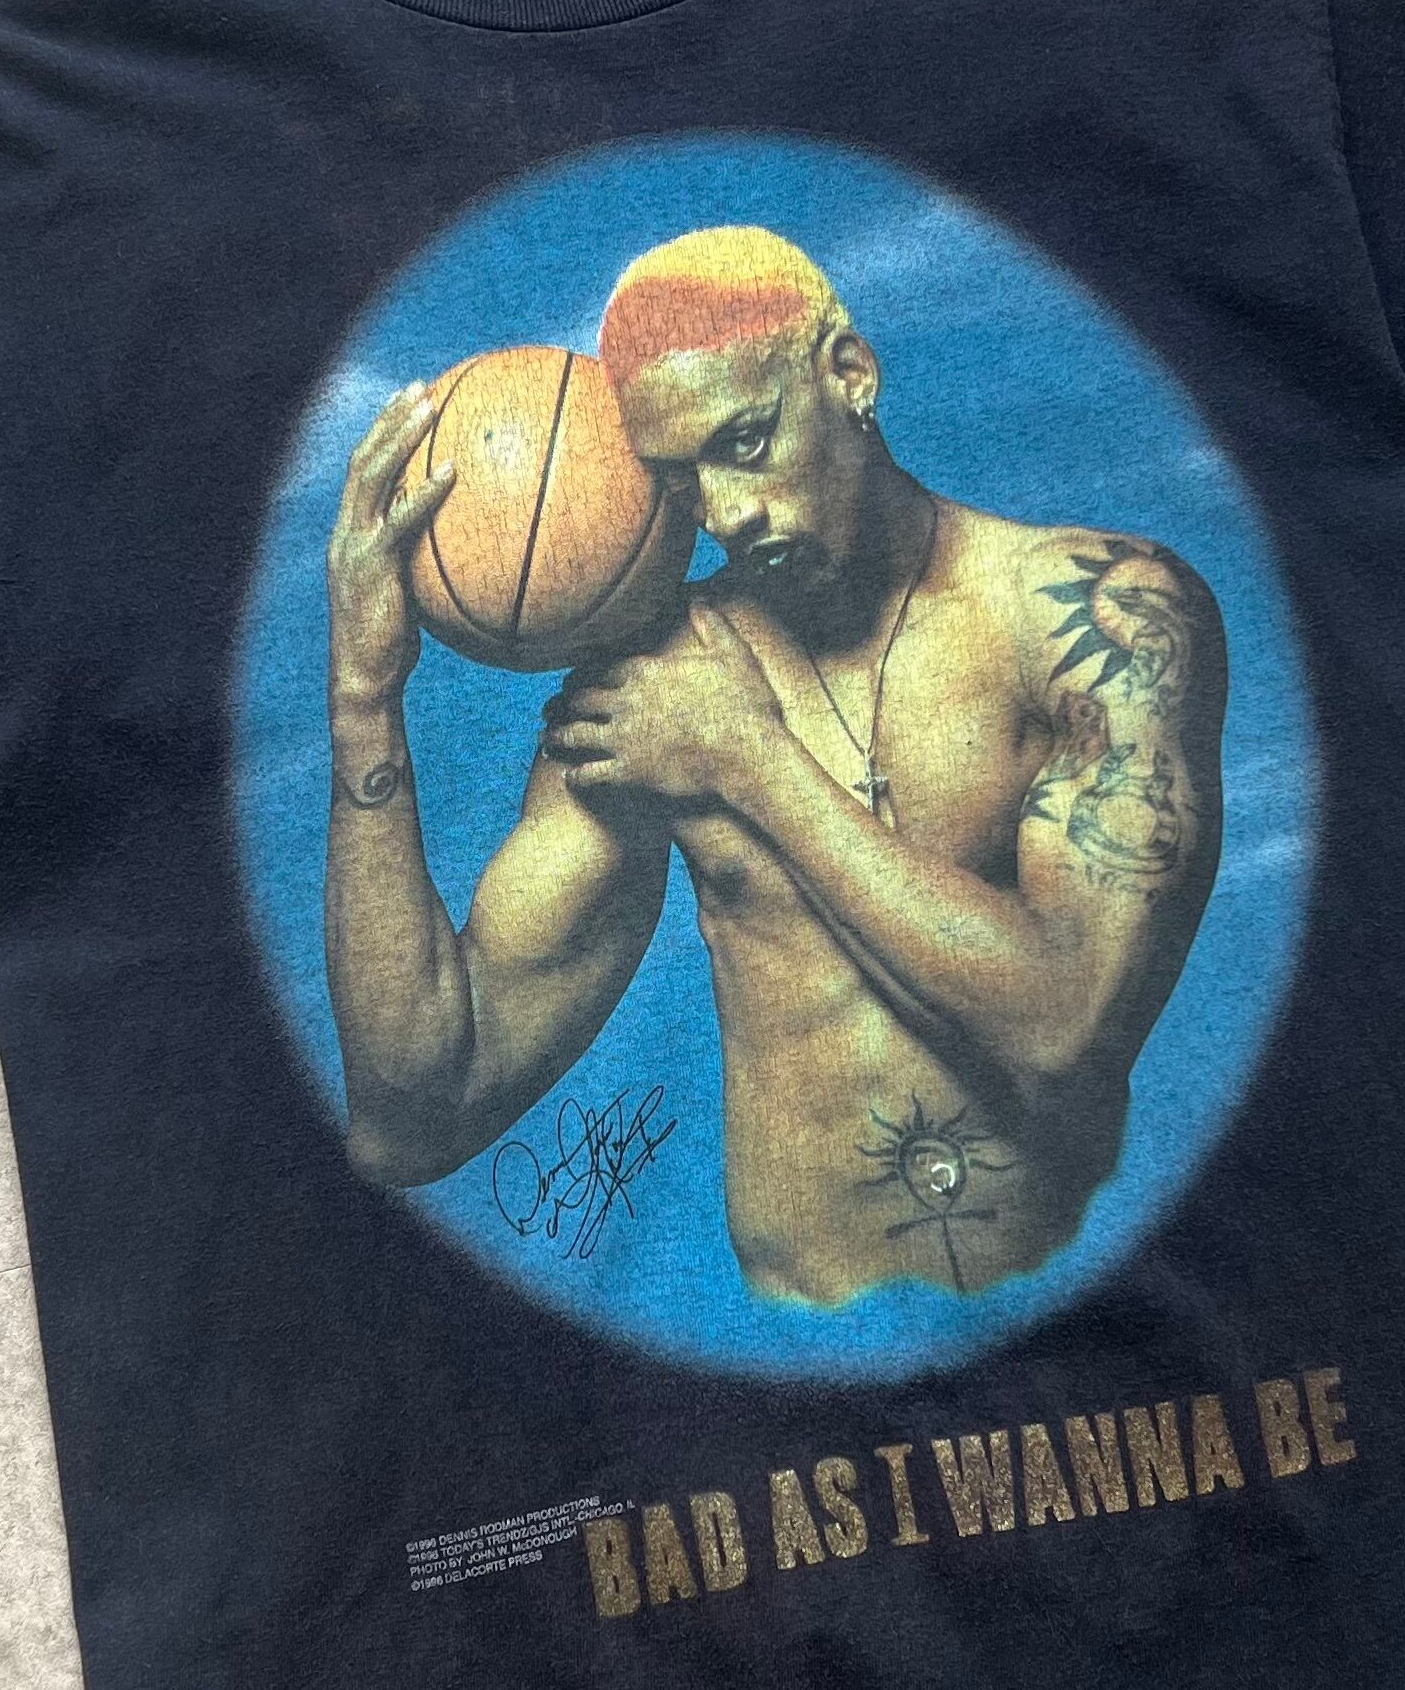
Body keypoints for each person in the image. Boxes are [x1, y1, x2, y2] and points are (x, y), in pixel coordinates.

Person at [320, 225, 1227, 1305]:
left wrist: (753, 762)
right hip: (801, 1336)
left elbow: (1066, 1031)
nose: (727, 515)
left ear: (849, 375)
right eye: (680, 483)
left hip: (1089, 1321)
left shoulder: (1097, 617)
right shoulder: (656, 683)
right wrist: (365, 700)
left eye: (745, 442)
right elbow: (411, 1119)